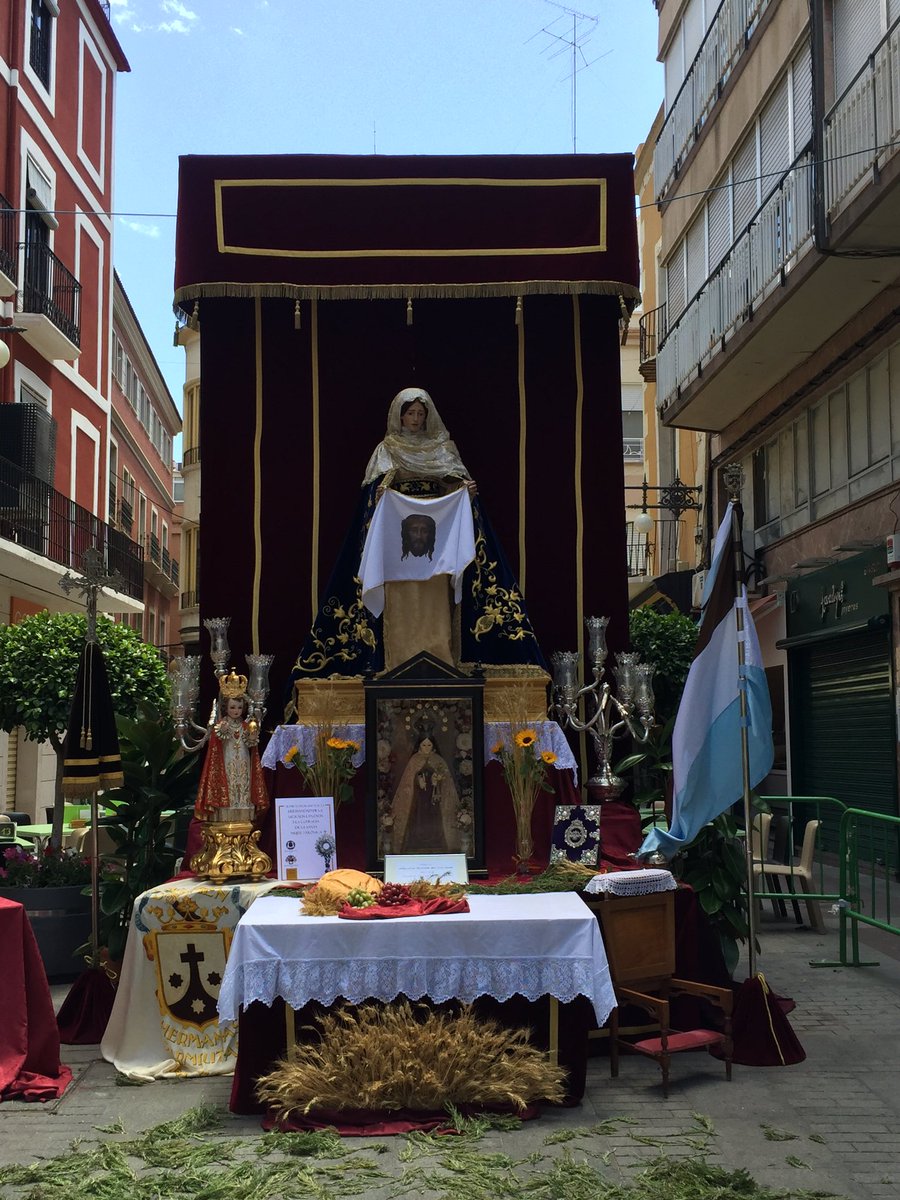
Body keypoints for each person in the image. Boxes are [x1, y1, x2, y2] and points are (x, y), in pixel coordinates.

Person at [291, 386, 546, 684]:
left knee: (437, 599)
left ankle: (440, 661)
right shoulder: (386, 450)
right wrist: (380, 493)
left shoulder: (444, 449)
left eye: (420, 414)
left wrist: (465, 492)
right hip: (399, 543)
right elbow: (371, 496)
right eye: (410, 413)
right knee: (400, 600)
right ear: (399, 416)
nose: (415, 419)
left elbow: (452, 487)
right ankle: (398, 663)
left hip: (435, 544)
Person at [195, 671, 269, 821]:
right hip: (227, 758)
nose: (236, 711)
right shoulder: (222, 725)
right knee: (228, 782)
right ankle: (225, 813)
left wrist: (252, 736)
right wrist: (220, 731)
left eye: (239, 708)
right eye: (233, 707)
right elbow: (215, 744)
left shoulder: (246, 725)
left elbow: (251, 744)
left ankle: (243, 814)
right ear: (226, 708)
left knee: (243, 782)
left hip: (242, 759)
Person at [390, 732, 461, 853]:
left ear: (433, 746)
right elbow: (407, 782)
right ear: (419, 746)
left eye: (429, 745)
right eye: (424, 745)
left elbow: (446, 782)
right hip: (418, 800)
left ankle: (438, 843)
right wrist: (417, 781)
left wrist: (438, 780)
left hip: (435, 800)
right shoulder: (414, 760)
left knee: (434, 820)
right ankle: (415, 843)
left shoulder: (438, 760)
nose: (426, 748)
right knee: (418, 819)